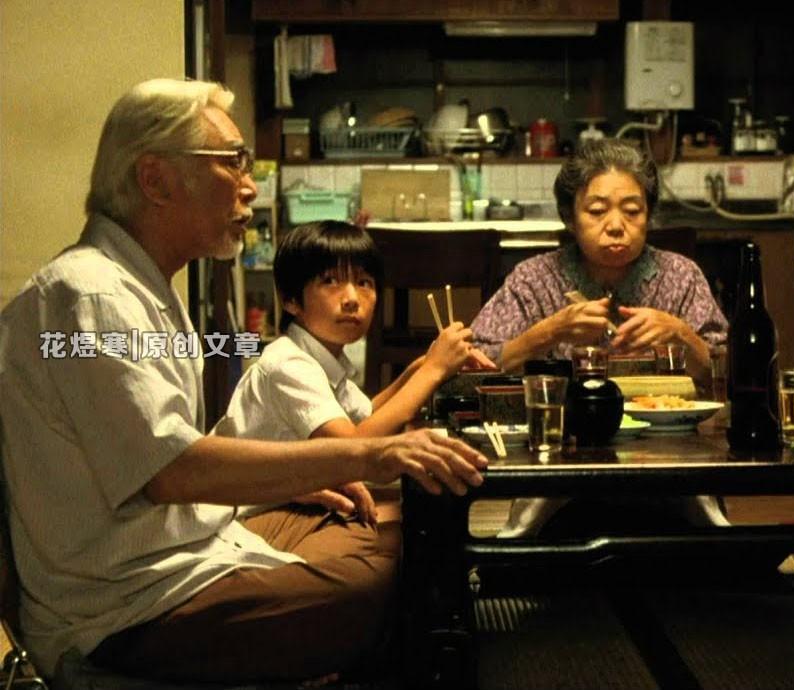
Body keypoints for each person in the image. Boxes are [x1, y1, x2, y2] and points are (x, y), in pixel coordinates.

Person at [0, 79, 489, 683]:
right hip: (127, 606)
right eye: (232, 161)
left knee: (380, 525)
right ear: (156, 180)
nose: (250, 184)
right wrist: (372, 453)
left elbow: (164, 457)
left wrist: (304, 478)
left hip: (190, 546)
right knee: (374, 579)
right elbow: (172, 471)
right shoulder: (91, 294)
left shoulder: (142, 290)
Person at [213, 220, 495, 523]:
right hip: (244, 517)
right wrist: (434, 371)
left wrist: (421, 367)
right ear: (291, 300)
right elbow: (354, 447)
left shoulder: (322, 358)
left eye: (364, 283)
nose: (351, 299)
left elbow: (368, 416)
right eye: (330, 281)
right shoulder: (288, 364)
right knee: (416, 527)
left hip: (291, 502)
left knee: (419, 518)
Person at [469, 138, 727, 385]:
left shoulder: (681, 276)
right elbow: (473, 366)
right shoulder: (534, 280)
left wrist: (681, 335)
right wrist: (549, 332)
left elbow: (729, 372)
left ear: (648, 216)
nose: (616, 226)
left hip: (664, 415)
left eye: (632, 211)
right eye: (597, 211)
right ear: (570, 218)